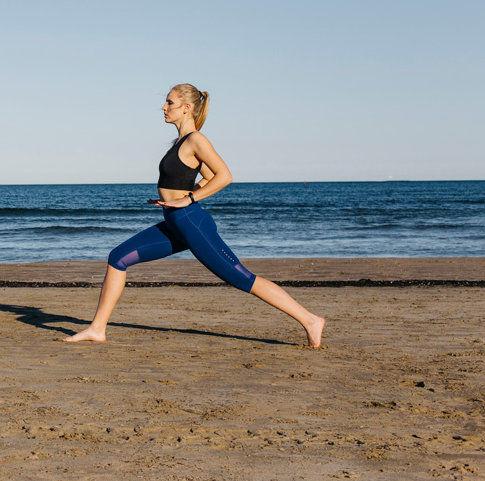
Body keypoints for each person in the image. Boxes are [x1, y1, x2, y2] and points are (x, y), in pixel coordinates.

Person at [64, 84, 325, 347]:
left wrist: (187, 198)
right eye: (165, 103)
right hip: (175, 222)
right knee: (118, 258)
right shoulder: (179, 142)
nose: (164, 108)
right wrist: (176, 199)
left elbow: (224, 176)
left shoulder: (196, 140)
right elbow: (207, 177)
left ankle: (310, 320)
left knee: (242, 277)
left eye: (170, 103)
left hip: (191, 222)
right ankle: (97, 328)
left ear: (186, 107)